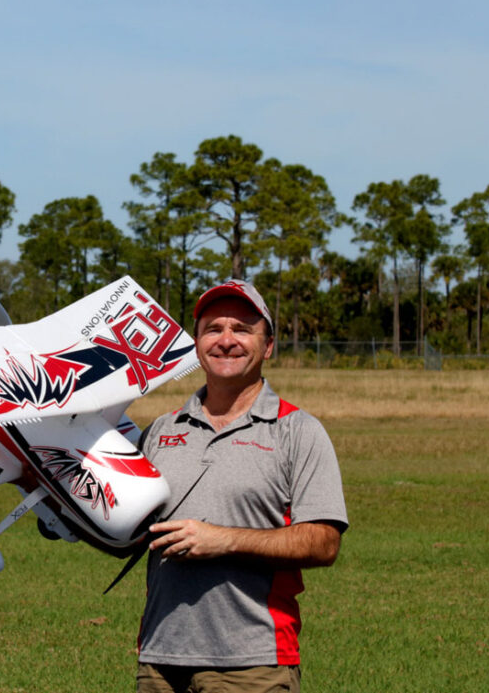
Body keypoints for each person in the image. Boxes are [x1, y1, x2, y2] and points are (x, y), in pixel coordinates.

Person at [135, 278, 349, 693]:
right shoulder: (161, 430)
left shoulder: (298, 431)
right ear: (196, 344)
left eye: (243, 329)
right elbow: (126, 533)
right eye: (213, 329)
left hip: (253, 663)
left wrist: (225, 540)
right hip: (160, 660)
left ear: (268, 346)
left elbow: (324, 543)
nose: (226, 340)